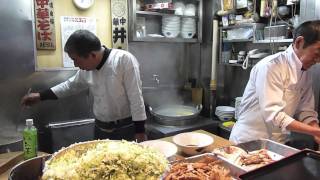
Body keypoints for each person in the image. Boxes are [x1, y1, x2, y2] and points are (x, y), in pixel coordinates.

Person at [21, 30, 147, 142]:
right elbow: (69, 86)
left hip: (124, 129)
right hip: (100, 129)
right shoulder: (86, 70)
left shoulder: (123, 60)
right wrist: (40, 96)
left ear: (92, 55)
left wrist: (140, 132)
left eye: (76, 59)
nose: (75, 64)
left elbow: (136, 98)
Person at [229, 20, 320, 145]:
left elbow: (305, 110)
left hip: (276, 144)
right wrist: (314, 132)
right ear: (299, 42)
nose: (318, 60)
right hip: (248, 141)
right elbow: (273, 115)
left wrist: (315, 128)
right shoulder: (271, 66)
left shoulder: (305, 72)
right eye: (317, 52)